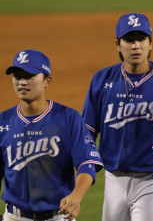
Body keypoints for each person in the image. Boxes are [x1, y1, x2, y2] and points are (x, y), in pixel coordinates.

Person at [81, 13, 153, 221]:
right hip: (113, 181)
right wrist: (80, 170)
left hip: (152, 180)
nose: (136, 46)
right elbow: (87, 132)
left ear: (150, 44)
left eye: (141, 39)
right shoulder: (102, 80)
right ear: (118, 45)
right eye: (129, 40)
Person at [0, 49, 103, 221]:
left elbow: (87, 164)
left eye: (29, 76)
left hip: (58, 217)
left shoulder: (68, 118)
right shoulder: (3, 121)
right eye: (17, 76)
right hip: (14, 217)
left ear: (47, 81)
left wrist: (77, 196)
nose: (22, 82)